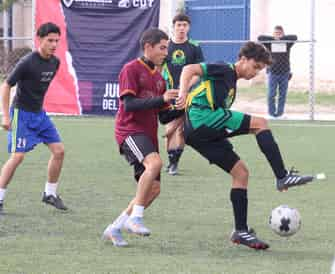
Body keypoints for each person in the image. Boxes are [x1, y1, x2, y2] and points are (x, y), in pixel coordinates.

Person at [176, 41, 315, 250]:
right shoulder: (224, 69)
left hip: (198, 132)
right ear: (243, 59)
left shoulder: (231, 82)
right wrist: (182, 93)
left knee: (241, 173)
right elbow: (189, 69)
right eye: (256, 67)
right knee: (260, 123)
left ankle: (240, 231)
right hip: (202, 119)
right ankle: (282, 176)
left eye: (260, 70)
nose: (256, 73)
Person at [102, 28, 179, 247]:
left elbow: (163, 117)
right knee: (155, 163)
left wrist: (182, 108)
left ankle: (115, 227)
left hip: (148, 134)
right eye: (162, 48)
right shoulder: (131, 69)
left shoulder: (159, 79)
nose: (166, 52)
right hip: (129, 130)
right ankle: (135, 218)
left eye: (167, 48)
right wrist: (162, 98)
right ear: (148, 47)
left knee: (153, 189)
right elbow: (129, 105)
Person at [0, 22, 67, 214]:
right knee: (17, 157)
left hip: (39, 114)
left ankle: (49, 194)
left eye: (57, 41)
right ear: (40, 39)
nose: (54, 44)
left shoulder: (55, 62)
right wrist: (6, 116)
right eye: (50, 40)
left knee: (59, 151)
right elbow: (6, 85)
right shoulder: (27, 62)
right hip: (21, 114)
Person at [162, 13, 204, 175]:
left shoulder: (194, 46)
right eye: (178, 25)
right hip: (169, 94)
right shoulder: (166, 45)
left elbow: (199, 72)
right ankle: (170, 160)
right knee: (170, 129)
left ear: (189, 27)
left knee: (180, 129)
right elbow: (159, 69)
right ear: (174, 27)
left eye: (184, 25)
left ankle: (174, 164)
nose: (181, 28)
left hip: (188, 94)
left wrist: (184, 89)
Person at [258, 26, 297, 118]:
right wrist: (274, 39)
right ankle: (272, 114)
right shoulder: (270, 43)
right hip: (273, 72)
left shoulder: (287, 43)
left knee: (282, 95)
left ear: (283, 34)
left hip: (284, 72)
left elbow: (295, 37)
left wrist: (281, 39)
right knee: (271, 94)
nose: (278, 35)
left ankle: (279, 114)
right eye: (276, 33)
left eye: (280, 33)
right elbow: (260, 38)